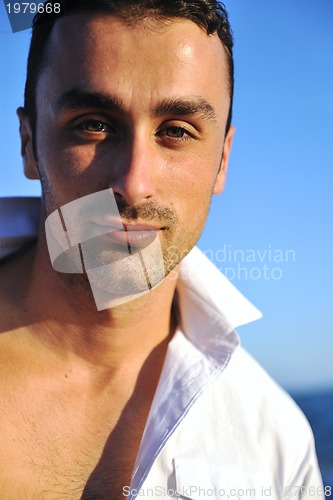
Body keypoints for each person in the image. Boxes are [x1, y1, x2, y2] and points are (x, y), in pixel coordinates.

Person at [0, 0, 325, 498]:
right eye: (93, 124)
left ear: (221, 162)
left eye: (176, 131)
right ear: (28, 143)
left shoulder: (275, 446)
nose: (133, 185)